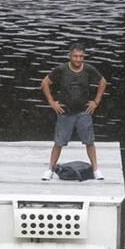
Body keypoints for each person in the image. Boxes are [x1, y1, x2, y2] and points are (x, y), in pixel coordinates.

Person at [40, 42, 107, 181]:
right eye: (75, 56)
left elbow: (102, 82)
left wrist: (96, 102)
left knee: (89, 142)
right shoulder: (61, 69)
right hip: (65, 112)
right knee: (59, 142)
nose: (78, 59)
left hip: (84, 112)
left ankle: (96, 169)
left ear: (84, 57)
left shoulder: (89, 69)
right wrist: (52, 102)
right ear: (70, 56)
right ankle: (50, 170)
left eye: (81, 56)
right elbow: (45, 83)